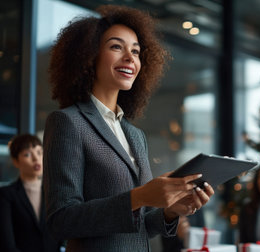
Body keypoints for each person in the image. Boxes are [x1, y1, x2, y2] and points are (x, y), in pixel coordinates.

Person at [43, 5, 214, 252]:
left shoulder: (135, 135)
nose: (130, 58)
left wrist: (170, 211)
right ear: (89, 56)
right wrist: (140, 196)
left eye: (135, 51)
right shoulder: (68, 122)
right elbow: (61, 220)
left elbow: (139, 224)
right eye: (116, 47)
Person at [0, 134, 61, 252]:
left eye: (39, 152)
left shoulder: (54, 192)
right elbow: (7, 244)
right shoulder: (6, 195)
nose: (36, 159)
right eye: (27, 154)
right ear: (15, 161)